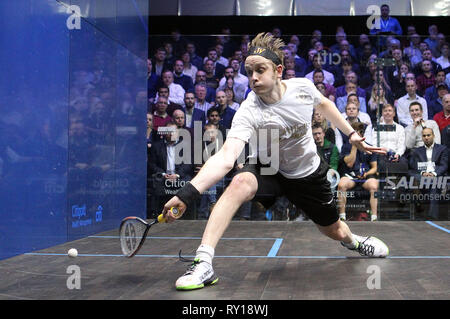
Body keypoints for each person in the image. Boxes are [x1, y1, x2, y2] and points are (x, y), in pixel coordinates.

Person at [161, 33, 389, 291]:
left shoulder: (302, 88)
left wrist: (351, 134)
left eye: (260, 70)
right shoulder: (249, 109)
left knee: (335, 230)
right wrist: (188, 192)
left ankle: (355, 243)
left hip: (307, 175)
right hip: (268, 167)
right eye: (249, 72)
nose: (254, 78)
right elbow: (226, 157)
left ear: (278, 70)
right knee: (239, 183)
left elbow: (325, 104)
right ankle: (203, 262)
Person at [337, 122, 379, 222]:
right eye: (354, 132)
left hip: (365, 176)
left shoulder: (369, 147)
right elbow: (349, 164)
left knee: (374, 186)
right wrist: (354, 146)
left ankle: (374, 217)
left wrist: (367, 174)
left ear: (362, 134)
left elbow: (374, 168)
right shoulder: (346, 147)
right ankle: (342, 216)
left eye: (359, 132)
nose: (357, 134)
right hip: (350, 176)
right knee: (341, 185)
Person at [408, 127, 448, 219]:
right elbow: (414, 166)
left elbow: (444, 165)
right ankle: (419, 210)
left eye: (428, 135)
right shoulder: (417, 151)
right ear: (422, 138)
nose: (426, 137)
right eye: (424, 136)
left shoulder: (442, 149)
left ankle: (432, 216)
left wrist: (433, 173)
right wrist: (423, 173)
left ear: (433, 136)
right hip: (422, 177)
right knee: (414, 178)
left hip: (436, 176)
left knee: (434, 184)